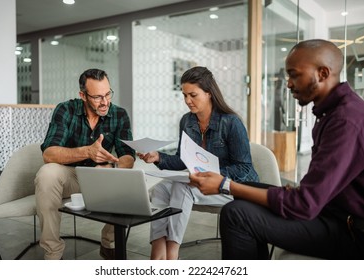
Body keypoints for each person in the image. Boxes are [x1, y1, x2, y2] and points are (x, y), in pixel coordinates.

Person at [190, 39, 364, 259]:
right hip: (330, 211)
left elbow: (305, 205)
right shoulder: (332, 113)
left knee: (236, 214)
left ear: (322, 73)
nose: (288, 83)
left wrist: (225, 185)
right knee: (246, 192)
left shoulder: (346, 121)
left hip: (351, 232)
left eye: (294, 74)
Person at [138, 66, 259, 260]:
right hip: (204, 183)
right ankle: (158, 249)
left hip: (235, 187)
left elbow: (244, 168)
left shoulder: (231, 122)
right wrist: (158, 157)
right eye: (184, 95)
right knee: (161, 189)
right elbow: (181, 159)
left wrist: (212, 175)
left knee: (182, 186)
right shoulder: (187, 121)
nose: (187, 101)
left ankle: (172, 254)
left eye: (193, 95)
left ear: (209, 93)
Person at [35, 68, 136, 260]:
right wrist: (87, 151)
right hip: (71, 177)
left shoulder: (119, 114)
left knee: (135, 185)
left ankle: (109, 242)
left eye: (108, 94)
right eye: (98, 97)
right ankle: (53, 253)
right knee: (46, 173)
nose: (105, 102)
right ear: (83, 95)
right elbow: (49, 153)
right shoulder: (65, 110)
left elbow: (128, 157)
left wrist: (111, 167)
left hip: (102, 177)